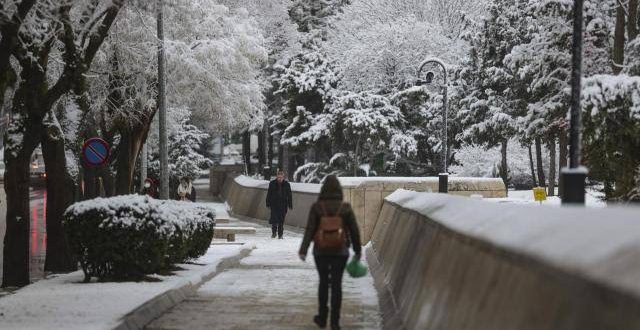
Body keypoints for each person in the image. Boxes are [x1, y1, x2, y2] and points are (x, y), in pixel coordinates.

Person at [298, 175, 362, 330]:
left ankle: (322, 317)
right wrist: (357, 250)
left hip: (320, 252)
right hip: (340, 252)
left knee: (324, 283)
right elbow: (354, 230)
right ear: (339, 190)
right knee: (337, 285)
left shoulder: (317, 207)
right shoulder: (345, 207)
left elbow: (310, 229)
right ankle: (334, 322)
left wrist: (304, 249)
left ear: (323, 189)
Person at [265, 170, 292, 239]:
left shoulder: (287, 184)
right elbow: (269, 193)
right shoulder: (272, 183)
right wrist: (267, 203)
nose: (280, 178)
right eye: (278, 177)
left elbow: (289, 195)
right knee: (274, 219)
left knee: (281, 220)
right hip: (274, 204)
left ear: (283, 177)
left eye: (281, 177)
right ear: (276, 177)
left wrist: (290, 204)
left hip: (283, 205)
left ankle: (280, 234)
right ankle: (274, 233)